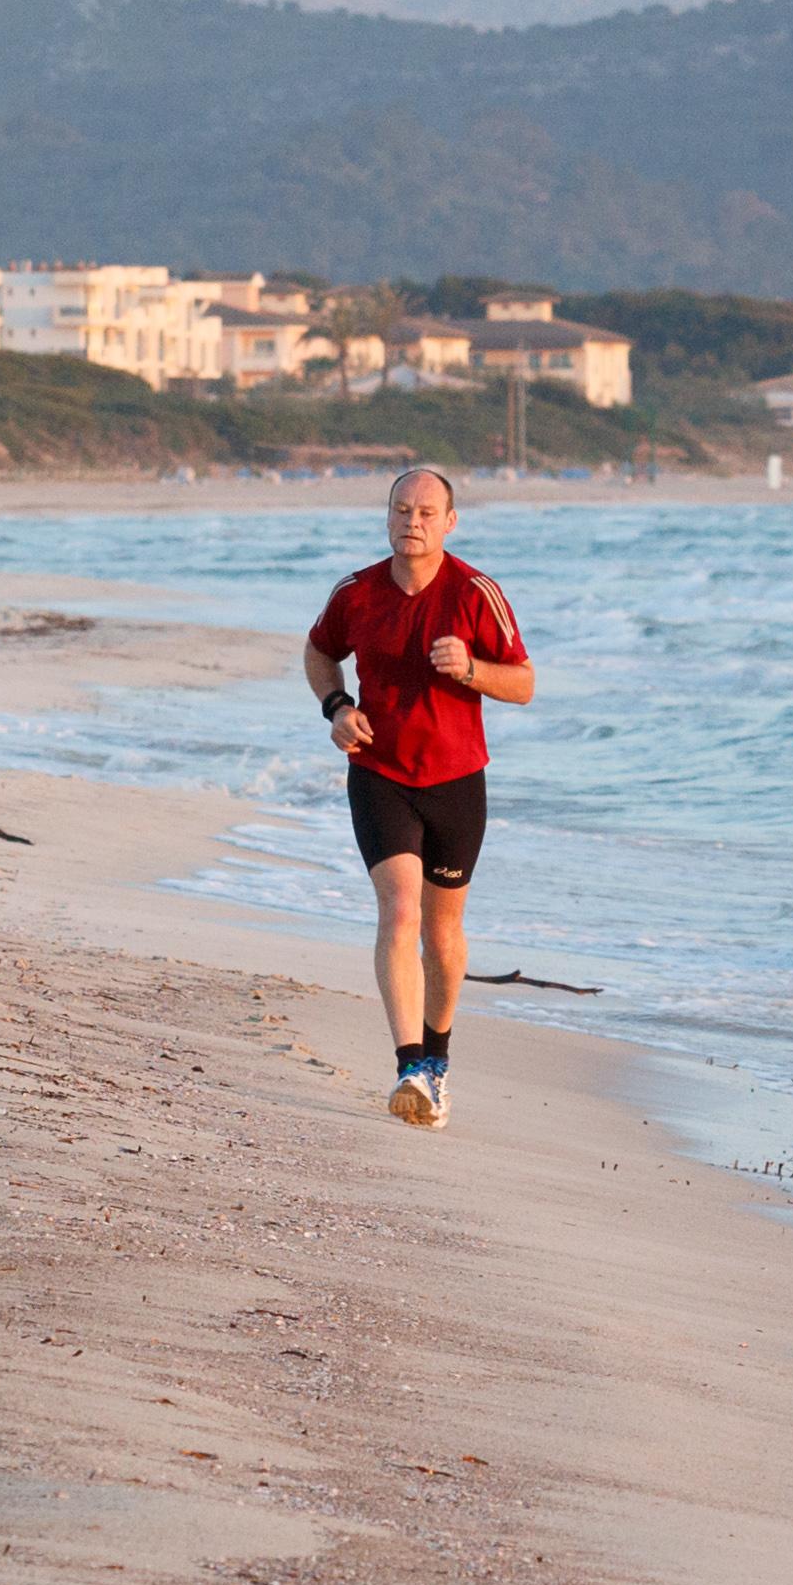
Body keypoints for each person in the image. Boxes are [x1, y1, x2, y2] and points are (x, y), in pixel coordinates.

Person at [304, 465, 534, 1127]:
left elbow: (523, 683)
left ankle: (438, 1059)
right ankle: (409, 1066)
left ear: (450, 522)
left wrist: (471, 669)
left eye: (427, 512)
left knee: (444, 932)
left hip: (458, 782)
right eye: (402, 510)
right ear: (387, 516)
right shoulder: (358, 592)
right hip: (381, 775)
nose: (413, 522)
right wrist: (337, 707)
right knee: (401, 913)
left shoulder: (476, 593)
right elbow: (319, 653)